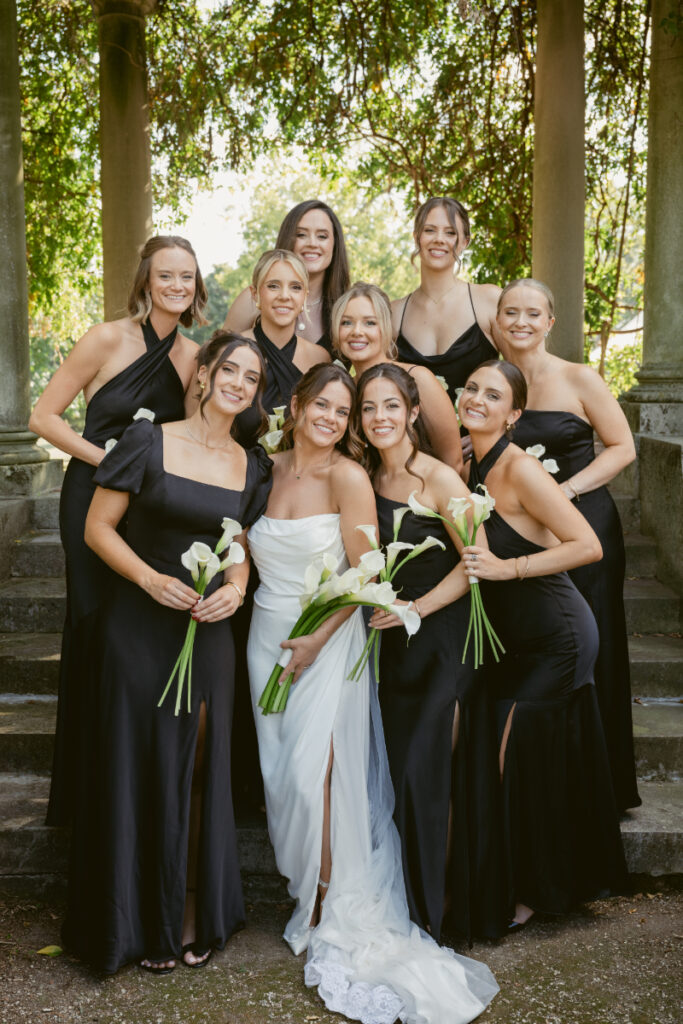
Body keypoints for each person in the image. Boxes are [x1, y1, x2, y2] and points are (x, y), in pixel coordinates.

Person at [247, 363, 498, 1024]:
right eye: (326, 407)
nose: (333, 419)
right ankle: (309, 886)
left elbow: (365, 574)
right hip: (264, 638)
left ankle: (330, 903)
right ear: (295, 406)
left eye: (342, 410)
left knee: (313, 778)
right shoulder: (264, 468)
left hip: (327, 645)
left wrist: (316, 639)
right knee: (281, 778)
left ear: (411, 412)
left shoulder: (352, 477)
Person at [62, 333, 273, 974]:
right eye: (227, 369)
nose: (237, 381)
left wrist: (236, 592)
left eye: (251, 376)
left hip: (206, 629)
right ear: (203, 375)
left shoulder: (253, 464)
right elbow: (98, 528)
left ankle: (187, 910)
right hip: (138, 622)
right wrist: (149, 579)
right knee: (134, 764)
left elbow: (241, 547)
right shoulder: (148, 440)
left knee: (201, 764)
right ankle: (129, 919)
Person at [29, 235, 205, 826]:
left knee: (136, 637)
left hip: (149, 509)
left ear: (195, 285)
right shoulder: (108, 338)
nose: (176, 286)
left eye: (187, 277)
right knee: (94, 626)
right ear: (146, 282)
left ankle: (128, 781)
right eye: (166, 276)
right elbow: (42, 416)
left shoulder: (194, 357)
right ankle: (84, 795)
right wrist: (104, 461)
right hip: (91, 496)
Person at [459, 360, 628, 928]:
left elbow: (587, 545)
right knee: (511, 758)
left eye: (493, 395)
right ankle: (530, 878)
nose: (477, 399)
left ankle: (528, 892)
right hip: (512, 640)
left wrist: (510, 571)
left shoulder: (522, 469)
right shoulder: (463, 464)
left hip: (557, 636)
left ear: (514, 414)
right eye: (472, 388)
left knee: (513, 755)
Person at [358, 363, 505, 943]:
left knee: (428, 771)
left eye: (391, 406)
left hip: (443, 643)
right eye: (369, 408)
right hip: (391, 650)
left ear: (414, 412)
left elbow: (478, 563)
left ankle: (440, 913)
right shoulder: (362, 477)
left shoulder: (442, 479)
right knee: (400, 774)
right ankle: (410, 900)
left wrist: (415, 609)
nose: (380, 418)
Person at [494, 278, 640, 811]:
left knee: (591, 647)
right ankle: (548, 785)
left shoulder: (579, 378)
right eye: (511, 312)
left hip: (586, 526)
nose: (521, 322)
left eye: (533, 313)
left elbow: (622, 447)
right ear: (497, 320)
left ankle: (599, 790)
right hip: (524, 538)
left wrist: (567, 490)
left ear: (550, 322)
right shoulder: (495, 383)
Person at [332, 281, 464, 473]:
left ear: (385, 328)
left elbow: (453, 461)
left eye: (369, 322)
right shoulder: (344, 390)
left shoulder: (419, 379)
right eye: (346, 322)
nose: (357, 331)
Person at [391, 197, 500, 401]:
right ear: (416, 238)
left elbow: (521, 376)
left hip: (480, 432)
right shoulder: (394, 313)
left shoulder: (489, 301)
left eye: (450, 232)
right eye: (429, 230)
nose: (439, 239)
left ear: (464, 242)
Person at [232, 248, 330, 448]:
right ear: (255, 293)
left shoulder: (320, 359)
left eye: (295, 287)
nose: (285, 296)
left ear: (305, 296)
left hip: (298, 476)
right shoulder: (231, 351)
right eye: (273, 286)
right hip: (235, 473)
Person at [224, 200, 351, 352]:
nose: (312, 243)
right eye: (301, 234)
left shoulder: (346, 307)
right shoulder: (254, 298)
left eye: (322, 236)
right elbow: (216, 357)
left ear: (335, 244)